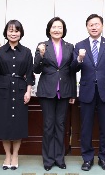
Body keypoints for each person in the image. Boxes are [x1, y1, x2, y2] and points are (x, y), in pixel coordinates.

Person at [71, 14, 105, 171]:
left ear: (102, 26)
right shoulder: (79, 45)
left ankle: (103, 158)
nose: (94, 27)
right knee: (86, 127)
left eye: (96, 24)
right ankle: (87, 158)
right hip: (87, 91)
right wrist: (79, 58)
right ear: (87, 27)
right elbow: (72, 69)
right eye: (91, 24)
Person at [0, 20, 34, 170]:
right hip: (3, 90)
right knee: (4, 124)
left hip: (20, 89)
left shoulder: (27, 51)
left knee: (18, 124)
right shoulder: (0, 50)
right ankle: (7, 155)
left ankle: (15, 155)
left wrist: (28, 91)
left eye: (16, 31)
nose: (13, 33)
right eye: (10, 30)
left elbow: (29, 74)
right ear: (6, 32)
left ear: (20, 33)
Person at [33, 17, 76, 171]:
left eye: (60, 27)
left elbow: (72, 71)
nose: (57, 29)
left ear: (63, 30)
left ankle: (59, 158)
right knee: (48, 126)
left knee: (61, 125)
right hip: (47, 91)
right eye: (54, 27)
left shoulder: (70, 47)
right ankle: (48, 159)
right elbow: (36, 69)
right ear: (49, 29)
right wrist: (41, 54)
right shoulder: (42, 45)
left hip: (64, 91)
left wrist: (73, 93)